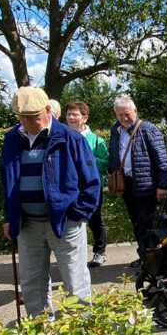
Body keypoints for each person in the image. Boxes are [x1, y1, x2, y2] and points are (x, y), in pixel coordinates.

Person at [1, 87, 101, 317]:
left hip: (66, 223)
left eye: (33, 116)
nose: (27, 122)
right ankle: (41, 330)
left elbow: (92, 182)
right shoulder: (11, 138)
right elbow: (7, 180)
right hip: (28, 224)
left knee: (75, 283)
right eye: (22, 117)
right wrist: (10, 216)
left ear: (47, 110)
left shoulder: (70, 137)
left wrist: (77, 213)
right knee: (32, 282)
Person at [107, 95, 167, 263]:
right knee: (136, 222)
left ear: (135, 111)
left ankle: (153, 259)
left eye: (127, 114)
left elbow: (162, 159)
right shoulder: (115, 131)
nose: (124, 118)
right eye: (120, 115)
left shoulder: (148, 129)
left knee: (146, 223)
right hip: (126, 184)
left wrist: (163, 185)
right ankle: (144, 255)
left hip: (146, 184)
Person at [65, 101, 109, 267]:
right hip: (70, 188)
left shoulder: (96, 140)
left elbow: (106, 163)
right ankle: (75, 253)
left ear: (84, 117)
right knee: (72, 221)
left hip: (91, 187)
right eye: (69, 114)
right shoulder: (63, 136)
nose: (71, 118)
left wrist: (86, 158)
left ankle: (100, 251)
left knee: (95, 220)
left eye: (74, 114)